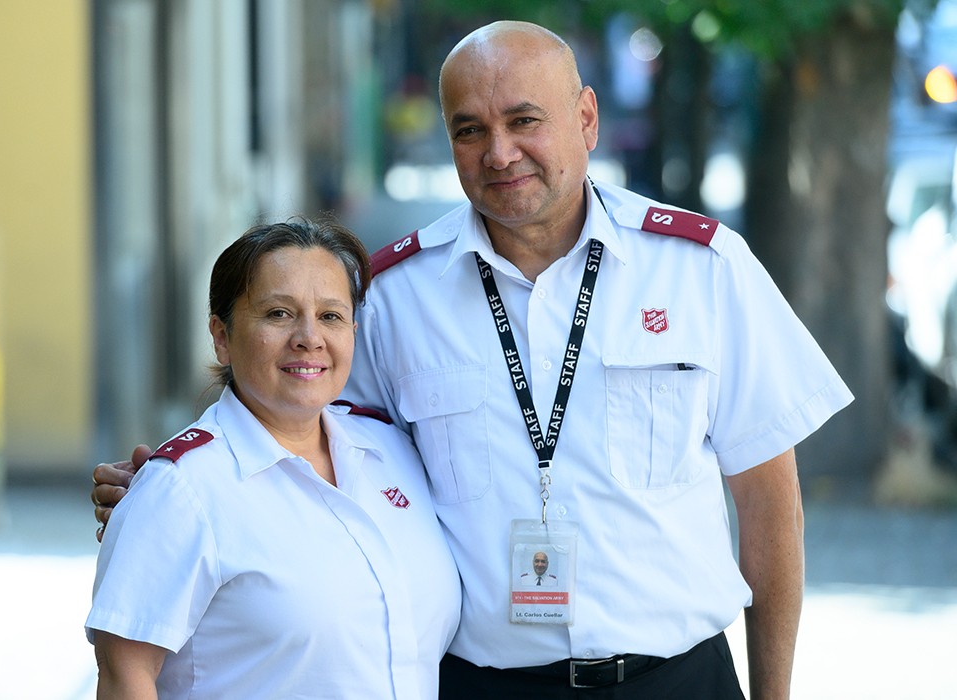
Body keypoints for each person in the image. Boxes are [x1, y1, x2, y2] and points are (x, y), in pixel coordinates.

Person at [92, 21, 853, 700]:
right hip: (481, 687)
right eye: (468, 129)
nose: (499, 152)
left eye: (525, 120)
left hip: (679, 680)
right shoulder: (393, 295)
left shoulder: (702, 269)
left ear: (586, 118)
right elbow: (298, 428)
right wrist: (177, 485)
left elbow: (768, 507)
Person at [86, 219, 460, 699]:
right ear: (222, 336)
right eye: (279, 314)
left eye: (330, 316)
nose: (309, 337)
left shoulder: (393, 450)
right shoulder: (183, 489)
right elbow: (124, 676)